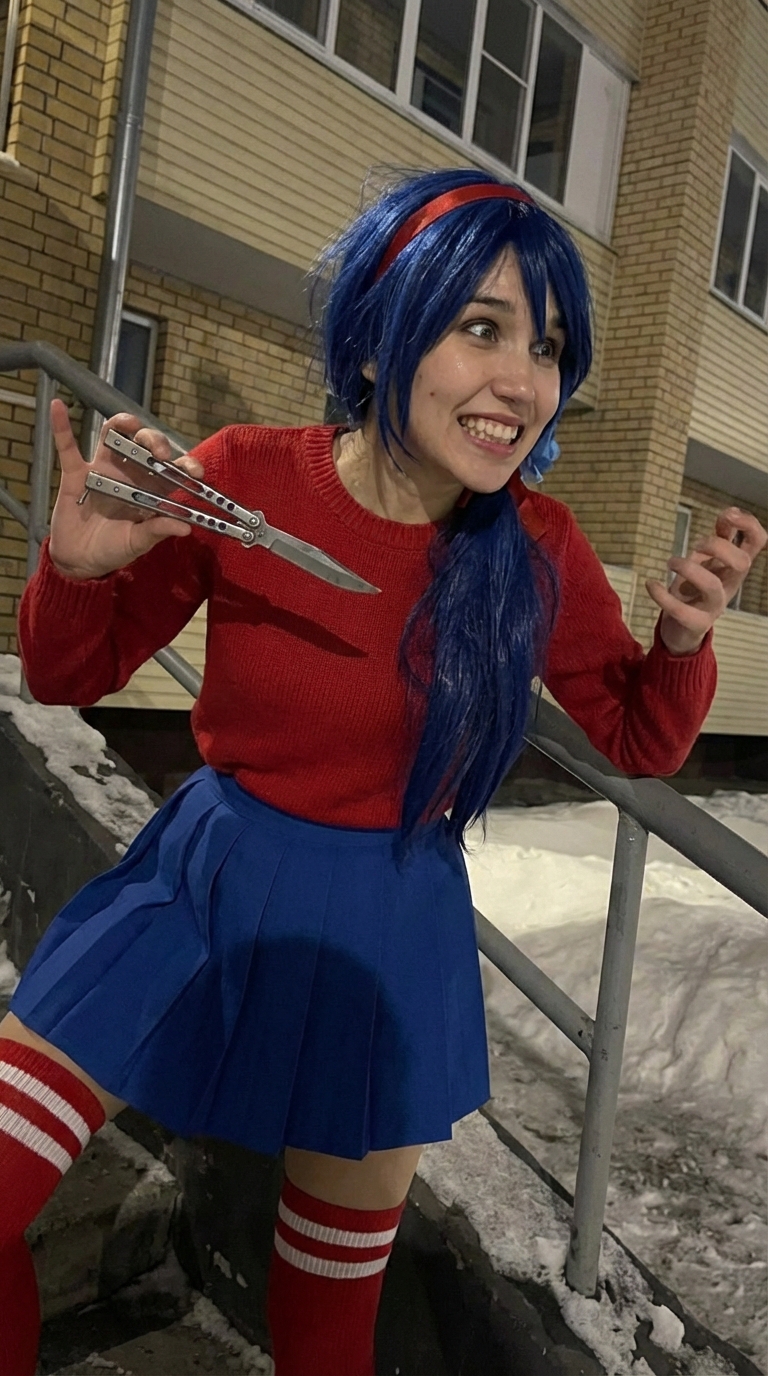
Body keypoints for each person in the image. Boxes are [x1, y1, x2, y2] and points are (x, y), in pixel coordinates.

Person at [0, 168, 764, 1376]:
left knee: (326, 1317)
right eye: (481, 327)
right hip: (198, 878)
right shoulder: (244, 472)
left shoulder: (535, 545)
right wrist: (80, 567)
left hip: (383, 927)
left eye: (547, 346)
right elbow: (59, 672)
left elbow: (636, 740)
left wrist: (678, 646)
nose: (522, 379)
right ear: (375, 337)